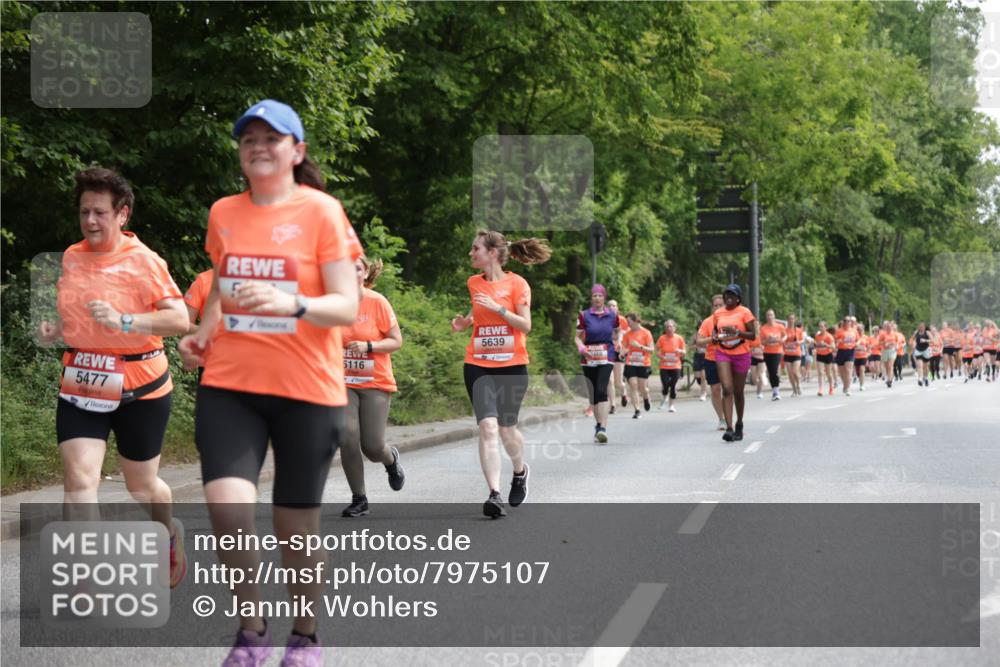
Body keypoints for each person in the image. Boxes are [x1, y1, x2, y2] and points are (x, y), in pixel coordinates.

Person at [177, 99, 362, 666]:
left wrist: (293, 303)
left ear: (296, 151)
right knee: (228, 506)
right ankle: (252, 631)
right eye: (248, 138)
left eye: (272, 137)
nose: (258, 145)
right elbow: (224, 286)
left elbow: (346, 304)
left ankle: (304, 635)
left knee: (293, 526)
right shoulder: (224, 212)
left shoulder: (322, 213)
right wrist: (203, 333)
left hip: (308, 388)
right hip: (231, 381)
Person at [38, 167, 190, 590]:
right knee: (80, 480)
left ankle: (168, 535)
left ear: (122, 214)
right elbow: (80, 318)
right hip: (83, 381)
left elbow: (179, 319)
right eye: (85, 211)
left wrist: (127, 319)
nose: (90, 221)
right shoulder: (72, 256)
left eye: (100, 213)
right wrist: (59, 331)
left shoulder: (145, 261)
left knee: (141, 486)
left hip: (141, 384)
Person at [452, 230, 551, 516]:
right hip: (478, 364)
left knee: (508, 430)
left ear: (492, 253)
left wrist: (499, 310)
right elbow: (478, 309)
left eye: (476, 249)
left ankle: (519, 472)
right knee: (488, 427)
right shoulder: (473, 283)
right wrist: (465, 323)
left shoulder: (517, 284)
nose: (471, 253)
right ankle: (494, 494)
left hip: (512, 366)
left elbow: (526, 325)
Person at [339, 256, 405, 518]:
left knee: (373, 446)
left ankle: (391, 460)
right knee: (347, 436)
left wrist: (369, 346)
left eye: (356, 268)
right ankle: (359, 498)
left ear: (365, 272)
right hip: (342, 382)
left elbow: (396, 341)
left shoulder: (377, 302)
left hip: (375, 381)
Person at [710, 284, 758, 442]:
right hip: (723, 352)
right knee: (727, 388)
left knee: (738, 392)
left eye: (732, 295)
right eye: (726, 295)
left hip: (741, 354)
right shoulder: (718, 313)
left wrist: (738, 333)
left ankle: (739, 424)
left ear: (738, 298)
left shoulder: (745, 312)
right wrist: (715, 336)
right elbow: (715, 331)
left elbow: (753, 335)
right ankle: (729, 428)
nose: (728, 298)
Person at [575, 284, 619, 443]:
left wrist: (617, 342)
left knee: (601, 390)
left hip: (607, 355)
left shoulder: (613, 315)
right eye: (595, 295)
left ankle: (603, 428)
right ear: (591, 298)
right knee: (593, 394)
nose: (597, 298)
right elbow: (577, 337)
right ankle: (598, 424)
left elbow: (616, 332)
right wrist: (581, 349)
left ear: (604, 298)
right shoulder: (584, 315)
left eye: (600, 295)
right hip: (588, 357)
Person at [695, 294, 727, 430]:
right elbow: (698, 341)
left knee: (728, 390)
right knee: (715, 389)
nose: (718, 307)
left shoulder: (731, 320)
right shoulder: (707, 322)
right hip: (712, 359)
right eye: (716, 305)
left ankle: (729, 415)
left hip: (728, 358)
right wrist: (711, 339)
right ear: (712, 307)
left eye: (721, 305)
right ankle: (721, 419)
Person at [183, 269, 214, 382]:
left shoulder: (254, 279)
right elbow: (184, 324)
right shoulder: (203, 280)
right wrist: (209, 332)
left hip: (247, 363)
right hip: (210, 363)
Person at [621, 313, 654, 418]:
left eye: (629, 322)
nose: (628, 324)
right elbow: (624, 347)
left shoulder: (646, 333)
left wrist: (639, 346)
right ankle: (637, 410)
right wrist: (622, 352)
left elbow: (651, 350)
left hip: (643, 364)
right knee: (633, 385)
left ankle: (646, 397)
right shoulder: (627, 334)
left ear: (635, 321)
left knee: (642, 388)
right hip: (631, 363)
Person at [656, 319, 686, 412]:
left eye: (671, 326)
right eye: (667, 327)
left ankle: (671, 405)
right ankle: (665, 395)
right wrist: (661, 356)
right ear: (665, 329)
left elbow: (684, 352)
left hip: (676, 366)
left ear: (674, 328)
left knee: (673, 385)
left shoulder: (679, 338)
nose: (669, 328)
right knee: (665, 385)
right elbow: (656, 350)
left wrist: (680, 351)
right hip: (664, 365)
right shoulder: (662, 338)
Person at [759, 309, 786, 401]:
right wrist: (768, 340)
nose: (770, 317)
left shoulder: (780, 326)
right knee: (771, 372)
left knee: (774, 370)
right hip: (767, 352)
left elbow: (785, 335)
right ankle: (774, 391)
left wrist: (782, 340)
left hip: (777, 351)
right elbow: (762, 342)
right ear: (766, 317)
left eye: (771, 315)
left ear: (774, 316)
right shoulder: (763, 328)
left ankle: (776, 391)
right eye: (768, 315)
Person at [607, 299, 628, 413]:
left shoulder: (622, 320)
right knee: (609, 381)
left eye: (614, 305)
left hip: (619, 351)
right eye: (609, 305)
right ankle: (613, 405)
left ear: (617, 308)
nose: (611, 307)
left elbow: (627, 335)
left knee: (618, 382)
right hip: (608, 352)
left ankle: (624, 392)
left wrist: (620, 338)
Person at [834, 316, 857, 396]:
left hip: (850, 351)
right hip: (841, 351)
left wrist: (857, 343)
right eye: (845, 321)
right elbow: (836, 341)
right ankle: (845, 384)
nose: (847, 322)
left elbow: (858, 339)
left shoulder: (854, 331)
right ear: (843, 322)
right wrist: (839, 341)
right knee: (841, 371)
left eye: (848, 321)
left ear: (851, 322)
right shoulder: (839, 331)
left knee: (848, 370)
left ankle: (848, 388)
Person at [783, 314, 804, 396]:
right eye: (789, 319)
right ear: (787, 320)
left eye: (792, 319)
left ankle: (798, 385)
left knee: (795, 372)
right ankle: (794, 390)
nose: (791, 320)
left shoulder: (798, 330)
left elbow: (803, 339)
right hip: (787, 353)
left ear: (795, 320)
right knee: (790, 373)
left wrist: (799, 342)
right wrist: (784, 343)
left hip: (796, 353)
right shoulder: (784, 330)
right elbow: (783, 340)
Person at [814, 321, 835, 395]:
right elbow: (816, 345)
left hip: (828, 355)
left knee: (828, 373)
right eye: (819, 326)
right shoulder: (817, 336)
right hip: (820, 355)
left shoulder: (829, 336)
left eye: (822, 326)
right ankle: (820, 389)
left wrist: (826, 344)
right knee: (820, 372)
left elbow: (833, 347)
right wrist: (815, 347)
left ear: (825, 327)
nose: (820, 328)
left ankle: (831, 387)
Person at [910, 323, 932, 387]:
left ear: (924, 327)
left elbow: (932, 340)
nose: (921, 328)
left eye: (922, 327)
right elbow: (912, 339)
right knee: (920, 366)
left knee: (926, 366)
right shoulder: (916, 332)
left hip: (926, 350)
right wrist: (912, 344)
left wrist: (925, 340)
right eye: (920, 327)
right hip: (918, 350)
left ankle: (926, 378)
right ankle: (920, 379)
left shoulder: (927, 333)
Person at [878, 321, 898, 388]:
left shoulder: (894, 334)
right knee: (887, 367)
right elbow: (879, 342)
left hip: (892, 351)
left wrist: (896, 346)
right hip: (885, 351)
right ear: (886, 328)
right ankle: (889, 377)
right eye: (887, 327)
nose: (889, 328)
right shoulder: (883, 334)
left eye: (890, 327)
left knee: (890, 366)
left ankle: (889, 380)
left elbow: (897, 342)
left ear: (892, 327)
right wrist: (885, 343)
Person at [852, 322, 869, 391]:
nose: (859, 331)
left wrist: (868, 354)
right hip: (856, 356)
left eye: (861, 329)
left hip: (863, 356)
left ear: (863, 330)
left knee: (862, 369)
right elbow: (851, 346)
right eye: (858, 329)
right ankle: (860, 380)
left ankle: (862, 385)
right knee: (858, 372)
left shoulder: (866, 338)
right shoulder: (854, 337)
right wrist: (856, 346)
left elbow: (869, 347)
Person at [749, 330, 765, 400]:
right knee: (754, 378)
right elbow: (747, 346)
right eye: (754, 325)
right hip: (753, 357)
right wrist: (751, 348)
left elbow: (766, 344)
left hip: (761, 357)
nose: (755, 327)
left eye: (757, 325)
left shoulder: (762, 336)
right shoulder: (750, 336)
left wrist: (762, 347)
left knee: (760, 374)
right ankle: (758, 389)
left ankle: (760, 392)